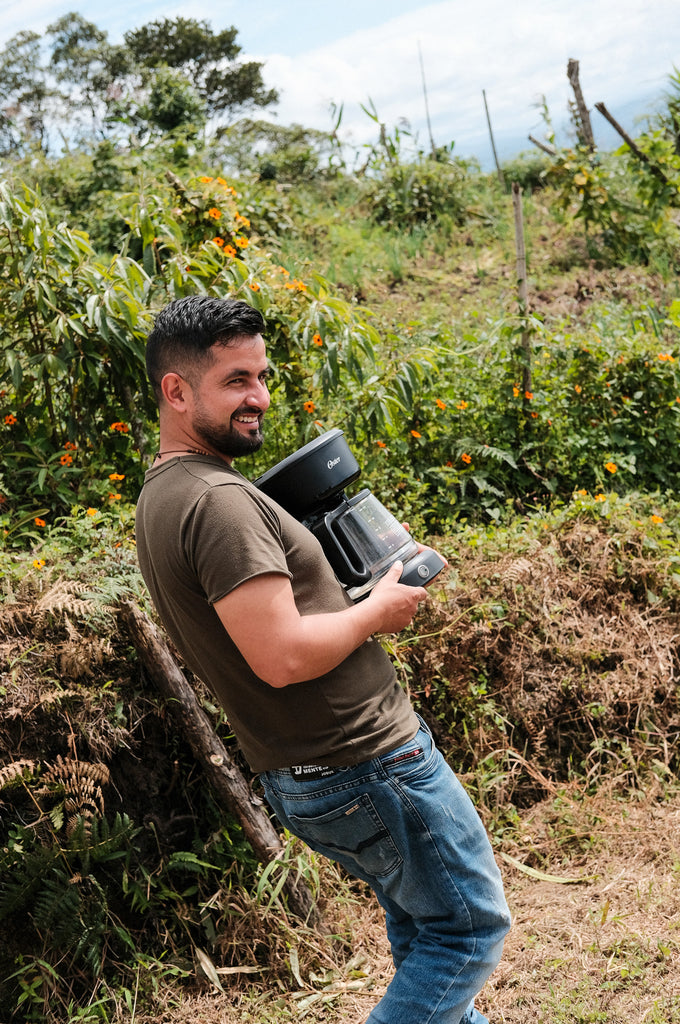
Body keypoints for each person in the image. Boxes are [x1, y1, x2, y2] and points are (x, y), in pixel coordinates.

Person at [135, 294, 510, 1024]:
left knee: (425, 934)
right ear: (175, 392)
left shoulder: (167, 493)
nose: (259, 398)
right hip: (367, 763)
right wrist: (380, 609)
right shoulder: (217, 502)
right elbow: (280, 656)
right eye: (236, 380)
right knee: (466, 935)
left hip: (315, 769)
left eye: (262, 376)